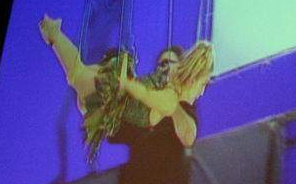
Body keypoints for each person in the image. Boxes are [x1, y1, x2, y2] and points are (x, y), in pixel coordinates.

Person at [38, 15, 213, 161]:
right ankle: (52, 33)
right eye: (203, 85)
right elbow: (144, 94)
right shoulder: (169, 98)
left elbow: (145, 95)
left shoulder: (171, 88)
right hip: (110, 99)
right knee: (78, 72)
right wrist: (126, 82)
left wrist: (126, 82)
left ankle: (53, 33)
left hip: (108, 102)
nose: (201, 92)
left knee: (77, 72)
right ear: (193, 80)